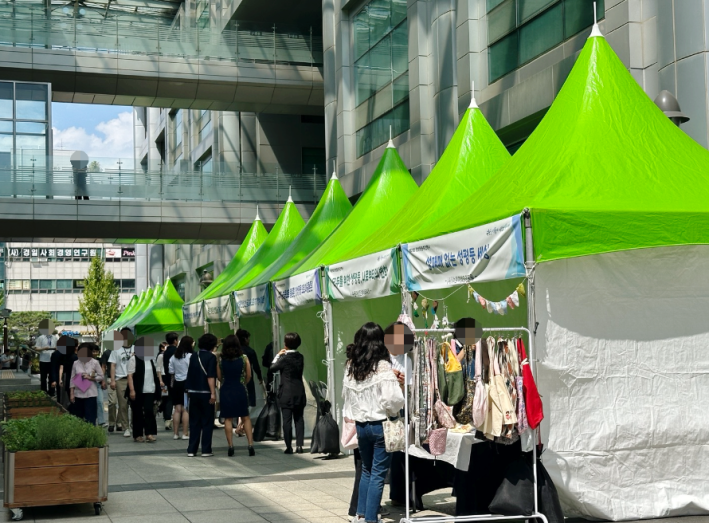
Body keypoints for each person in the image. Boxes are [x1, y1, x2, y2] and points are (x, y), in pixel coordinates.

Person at [342, 322, 405, 523]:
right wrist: (395, 410)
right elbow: (392, 399)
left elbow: (347, 396)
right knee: (377, 474)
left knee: (367, 471)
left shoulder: (352, 365)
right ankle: (370, 518)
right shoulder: (383, 366)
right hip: (380, 425)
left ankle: (360, 515)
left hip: (361, 425)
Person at [218, 335, 255, 457]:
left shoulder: (220, 359)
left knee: (228, 419)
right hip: (240, 388)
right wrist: (243, 382)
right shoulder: (244, 358)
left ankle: (230, 446)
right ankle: (250, 444)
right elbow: (249, 375)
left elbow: (219, 377)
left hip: (226, 389)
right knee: (245, 417)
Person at [270, 332, 307, 454]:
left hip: (286, 392)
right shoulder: (300, 357)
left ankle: (289, 446)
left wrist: (277, 356)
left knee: (287, 420)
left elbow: (272, 368)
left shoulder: (284, 358)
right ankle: (300, 445)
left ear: (286, 344)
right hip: (299, 390)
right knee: (299, 419)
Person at [184, 333, 218, 457]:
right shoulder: (211, 357)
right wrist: (213, 393)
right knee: (207, 421)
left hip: (193, 392)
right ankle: (206, 449)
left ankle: (192, 449)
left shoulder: (194, 356)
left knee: (194, 422)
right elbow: (210, 376)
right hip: (206, 392)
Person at [126, 337, 161, 443]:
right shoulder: (134, 359)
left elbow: (155, 375)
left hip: (150, 389)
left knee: (149, 411)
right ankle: (138, 434)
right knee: (137, 412)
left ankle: (149, 433)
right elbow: (130, 376)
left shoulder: (151, 359)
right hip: (138, 390)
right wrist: (132, 390)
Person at [69, 342, 104, 425]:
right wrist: (72, 393)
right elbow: (72, 378)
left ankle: (91, 435)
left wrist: (91, 378)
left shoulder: (95, 362)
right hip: (78, 393)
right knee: (79, 417)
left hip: (91, 394)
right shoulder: (75, 363)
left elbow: (101, 376)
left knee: (90, 417)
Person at [109, 328, 134, 437]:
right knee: (123, 405)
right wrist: (113, 380)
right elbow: (113, 365)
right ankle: (126, 427)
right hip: (121, 379)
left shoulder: (136, 348)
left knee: (134, 404)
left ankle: (134, 425)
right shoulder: (116, 349)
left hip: (133, 379)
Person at [169, 336, 193, 440]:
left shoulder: (174, 356)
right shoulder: (190, 356)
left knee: (177, 409)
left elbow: (171, 372)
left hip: (177, 384)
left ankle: (175, 433)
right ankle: (185, 433)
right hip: (187, 383)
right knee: (185, 410)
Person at [236, 329, 264, 411]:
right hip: (247, 378)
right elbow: (256, 366)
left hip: (234, 379)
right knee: (248, 400)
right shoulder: (250, 351)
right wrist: (260, 377)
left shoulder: (232, 351)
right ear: (245, 339)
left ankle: (237, 420)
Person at [161, 332, 179, 430]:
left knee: (168, 399)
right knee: (178, 400)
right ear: (175, 340)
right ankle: (178, 419)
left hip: (167, 378)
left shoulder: (165, 352)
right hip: (177, 378)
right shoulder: (177, 351)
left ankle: (167, 419)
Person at [35, 320, 57, 396]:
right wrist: (43, 348)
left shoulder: (55, 337)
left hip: (53, 360)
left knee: (52, 377)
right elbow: (36, 348)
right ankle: (43, 392)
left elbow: (58, 347)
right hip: (43, 360)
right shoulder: (41, 338)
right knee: (43, 377)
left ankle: (52, 392)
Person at [58, 337, 79, 415]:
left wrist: (60, 379)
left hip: (67, 379)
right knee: (75, 400)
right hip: (75, 380)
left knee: (68, 400)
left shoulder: (64, 355)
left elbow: (61, 368)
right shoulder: (75, 357)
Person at [99, 344, 115, 431]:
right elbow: (103, 367)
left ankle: (120, 423)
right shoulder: (107, 352)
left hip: (123, 378)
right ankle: (112, 423)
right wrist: (102, 380)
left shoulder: (124, 352)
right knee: (112, 402)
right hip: (110, 379)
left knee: (123, 404)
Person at [92, 344, 108, 427]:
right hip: (89, 384)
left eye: (96, 351)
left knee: (100, 402)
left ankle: (101, 421)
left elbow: (102, 372)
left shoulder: (99, 360)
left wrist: (102, 382)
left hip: (98, 383)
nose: (94, 353)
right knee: (91, 403)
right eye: (93, 351)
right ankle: (92, 420)